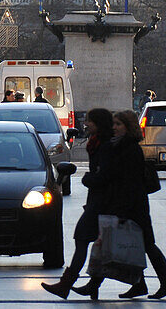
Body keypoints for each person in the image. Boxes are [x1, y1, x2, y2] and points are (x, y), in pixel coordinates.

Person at [71, 110, 166, 301]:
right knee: (138, 244)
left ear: (128, 127)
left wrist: (122, 209)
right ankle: (144, 284)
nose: (114, 127)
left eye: (118, 124)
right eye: (114, 124)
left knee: (146, 245)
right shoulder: (122, 146)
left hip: (133, 206)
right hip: (130, 204)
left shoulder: (129, 148)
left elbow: (129, 182)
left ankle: (165, 284)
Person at [42, 108, 115, 299]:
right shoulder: (98, 143)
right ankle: (91, 284)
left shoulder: (105, 145)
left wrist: (88, 179)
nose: (85, 124)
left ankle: (67, 284)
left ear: (98, 124)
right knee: (97, 242)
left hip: (103, 202)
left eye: (89, 121)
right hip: (98, 201)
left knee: (83, 238)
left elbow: (105, 176)